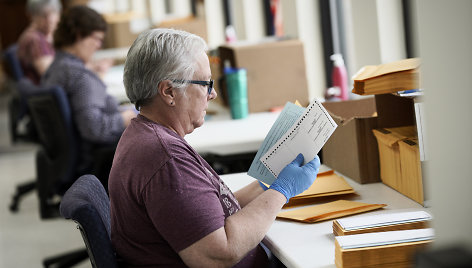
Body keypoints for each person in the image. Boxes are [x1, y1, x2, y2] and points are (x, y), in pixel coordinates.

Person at [108, 28, 321, 268]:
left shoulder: (146, 136)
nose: (213, 93)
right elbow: (219, 254)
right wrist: (282, 190)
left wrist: (265, 183)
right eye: (205, 84)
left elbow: (210, 214)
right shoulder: (166, 160)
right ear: (169, 92)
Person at [41, 5, 135, 146]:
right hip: (103, 153)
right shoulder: (80, 76)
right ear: (79, 35)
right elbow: (93, 128)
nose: (99, 46)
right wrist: (125, 118)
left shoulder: (55, 68)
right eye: (97, 39)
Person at [17, 0, 61, 84]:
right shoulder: (34, 39)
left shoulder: (47, 35)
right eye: (43, 15)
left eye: (53, 13)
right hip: (46, 91)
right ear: (32, 16)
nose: (50, 19)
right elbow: (49, 74)